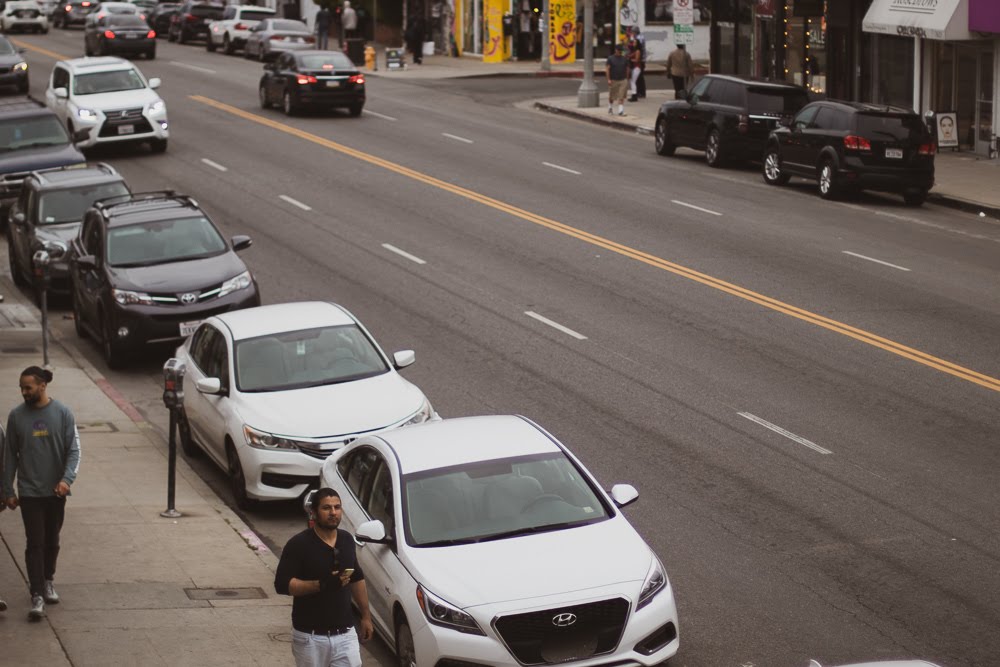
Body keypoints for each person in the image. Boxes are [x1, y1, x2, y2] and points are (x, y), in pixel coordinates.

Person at [2, 366, 81, 621]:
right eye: (22, 388)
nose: (24, 392)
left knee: (52, 541)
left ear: (42, 386)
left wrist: (66, 480)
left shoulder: (63, 414)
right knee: (34, 542)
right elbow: (9, 457)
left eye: (28, 387)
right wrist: (8, 490)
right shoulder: (16, 417)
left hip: (55, 492)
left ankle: (48, 581)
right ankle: (36, 594)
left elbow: (74, 451)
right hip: (29, 492)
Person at [275, 488, 373, 667]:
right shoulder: (299, 544)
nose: (333, 512)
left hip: (345, 634)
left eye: (337, 507)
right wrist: (321, 584)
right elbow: (282, 585)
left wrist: (366, 616)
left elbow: (356, 577)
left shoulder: (346, 540)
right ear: (313, 512)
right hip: (310, 638)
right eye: (326, 508)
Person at [606, 42, 629, 116]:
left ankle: (620, 110)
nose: (620, 52)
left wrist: (626, 78)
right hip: (613, 79)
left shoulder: (624, 59)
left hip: (623, 79)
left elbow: (627, 68)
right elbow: (607, 69)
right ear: (615, 50)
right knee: (612, 96)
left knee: (621, 96)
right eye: (618, 50)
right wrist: (609, 79)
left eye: (621, 50)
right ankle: (610, 107)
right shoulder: (610, 59)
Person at [630, 25, 647, 99]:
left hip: (640, 60)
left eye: (632, 32)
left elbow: (638, 48)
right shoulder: (639, 37)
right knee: (639, 77)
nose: (632, 33)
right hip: (641, 59)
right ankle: (640, 92)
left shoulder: (639, 38)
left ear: (635, 32)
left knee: (639, 77)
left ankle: (641, 92)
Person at [626, 34, 642, 102]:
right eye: (633, 42)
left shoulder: (638, 51)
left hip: (636, 67)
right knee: (632, 81)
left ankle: (634, 95)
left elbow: (637, 60)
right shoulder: (634, 50)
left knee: (633, 82)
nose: (633, 43)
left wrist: (630, 59)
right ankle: (634, 94)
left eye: (635, 42)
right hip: (634, 68)